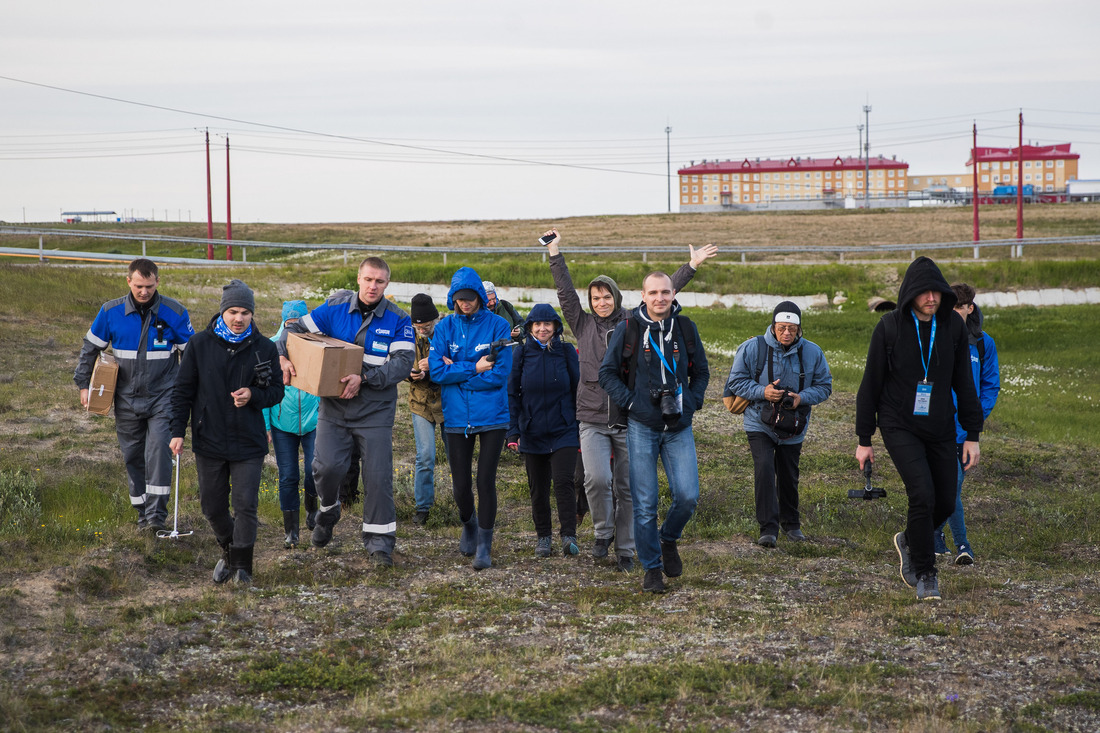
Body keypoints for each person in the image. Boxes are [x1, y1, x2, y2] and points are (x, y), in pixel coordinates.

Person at [545, 228, 717, 571]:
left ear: (617, 298)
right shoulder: (581, 325)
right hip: (592, 413)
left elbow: (662, 296)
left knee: (626, 486)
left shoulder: (630, 321)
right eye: (596, 297)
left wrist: (691, 265)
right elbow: (565, 292)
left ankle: (625, 550)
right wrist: (554, 253)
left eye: (607, 296)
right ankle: (602, 532)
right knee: (596, 480)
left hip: (627, 415)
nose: (601, 302)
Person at [855, 256, 983, 602]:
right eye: (923, 292)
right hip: (899, 425)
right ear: (910, 293)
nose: (931, 297)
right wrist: (865, 439)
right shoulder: (890, 327)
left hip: (941, 425)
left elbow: (965, 383)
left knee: (944, 498)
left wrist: (972, 434)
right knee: (922, 495)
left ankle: (911, 539)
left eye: (936, 291)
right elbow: (870, 384)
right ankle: (926, 574)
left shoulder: (953, 328)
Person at [277, 257, 414, 568]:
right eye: (368, 280)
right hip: (334, 408)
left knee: (377, 478)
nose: (372, 286)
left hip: (375, 411)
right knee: (324, 468)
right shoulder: (334, 310)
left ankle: (379, 545)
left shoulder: (398, 319)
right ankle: (329, 510)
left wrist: (364, 378)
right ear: (358, 278)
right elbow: (294, 329)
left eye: (379, 281)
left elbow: (403, 363)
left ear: (386, 284)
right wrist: (283, 356)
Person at [599, 271, 710, 594]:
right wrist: (632, 404)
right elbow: (607, 374)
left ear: (673, 293)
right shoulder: (629, 328)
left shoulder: (686, 328)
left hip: (679, 426)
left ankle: (668, 539)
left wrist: (692, 401)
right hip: (642, 426)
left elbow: (701, 371)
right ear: (643, 295)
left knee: (688, 496)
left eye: (665, 292)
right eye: (653, 292)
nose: (660, 298)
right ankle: (651, 569)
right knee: (645, 503)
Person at [169, 280, 284, 585]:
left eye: (245, 312)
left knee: (245, 505)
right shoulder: (199, 345)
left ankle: (243, 568)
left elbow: (276, 392)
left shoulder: (265, 348)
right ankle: (228, 551)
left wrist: (253, 397)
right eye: (233, 311)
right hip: (210, 439)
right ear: (222, 312)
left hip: (249, 440)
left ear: (252, 314)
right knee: (211, 505)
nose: (239, 318)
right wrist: (177, 431)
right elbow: (182, 391)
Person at [74, 258, 194, 531]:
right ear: (128, 281)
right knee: (132, 456)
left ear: (157, 282)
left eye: (149, 286)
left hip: (163, 397)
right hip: (126, 399)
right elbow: (90, 349)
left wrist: (192, 394)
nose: (144, 292)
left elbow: (192, 356)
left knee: (159, 453)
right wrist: (84, 385)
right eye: (139, 286)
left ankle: (156, 518)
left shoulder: (175, 312)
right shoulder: (110, 312)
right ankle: (142, 512)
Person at [726, 301, 832, 547]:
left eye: (792, 329)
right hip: (758, 421)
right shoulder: (752, 348)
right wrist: (763, 392)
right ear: (773, 326)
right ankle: (768, 530)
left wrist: (801, 398)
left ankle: (792, 525)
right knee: (764, 468)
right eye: (782, 327)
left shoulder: (813, 352)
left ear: (799, 329)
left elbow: (825, 387)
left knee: (788, 474)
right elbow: (736, 383)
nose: (786, 333)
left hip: (793, 426)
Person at [429, 268, 513, 571]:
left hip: (492, 415)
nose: (466, 303)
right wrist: (474, 368)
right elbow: (436, 372)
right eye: (460, 299)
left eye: (471, 298)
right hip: (455, 417)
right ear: (453, 299)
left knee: (484, 480)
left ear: (480, 297)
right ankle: (469, 524)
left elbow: (501, 374)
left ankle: (484, 545)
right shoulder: (444, 328)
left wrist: (459, 374)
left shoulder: (499, 326)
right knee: (461, 484)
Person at [506, 303, 582, 557]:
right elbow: (512, 394)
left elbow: (577, 390)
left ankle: (568, 536)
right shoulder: (521, 354)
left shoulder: (567, 351)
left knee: (564, 482)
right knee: (538, 487)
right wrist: (513, 431)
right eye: (536, 324)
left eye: (547, 324)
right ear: (529, 328)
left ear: (556, 327)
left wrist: (579, 425)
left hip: (564, 429)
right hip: (532, 430)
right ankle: (543, 539)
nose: (542, 328)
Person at [934, 282, 1000, 565]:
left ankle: (934, 533)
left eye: (958, 307)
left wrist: (973, 418)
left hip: (965, 431)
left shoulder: (983, 344)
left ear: (969, 308)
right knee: (950, 485)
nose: (952, 312)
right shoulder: (933, 337)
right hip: (937, 427)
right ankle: (963, 545)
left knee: (950, 487)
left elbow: (990, 385)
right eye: (949, 307)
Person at [263, 300, 320, 548]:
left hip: (314, 422)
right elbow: (263, 390)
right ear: (283, 320)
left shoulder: (317, 345)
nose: (293, 328)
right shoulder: (268, 349)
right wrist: (266, 424)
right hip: (281, 424)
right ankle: (291, 531)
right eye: (289, 323)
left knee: (313, 470)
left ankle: (311, 510)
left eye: (298, 323)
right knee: (288, 476)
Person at [407, 293, 448, 527]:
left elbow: (459, 362)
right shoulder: (407, 336)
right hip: (420, 402)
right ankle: (423, 507)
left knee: (456, 457)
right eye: (418, 325)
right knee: (425, 456)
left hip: (447, 402)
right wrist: (411, 373)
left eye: (426, 325)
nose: (421, 329)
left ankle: (463, 503)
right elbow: (400, 362)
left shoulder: (447, 333)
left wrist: (435, 365)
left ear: (435, 320)